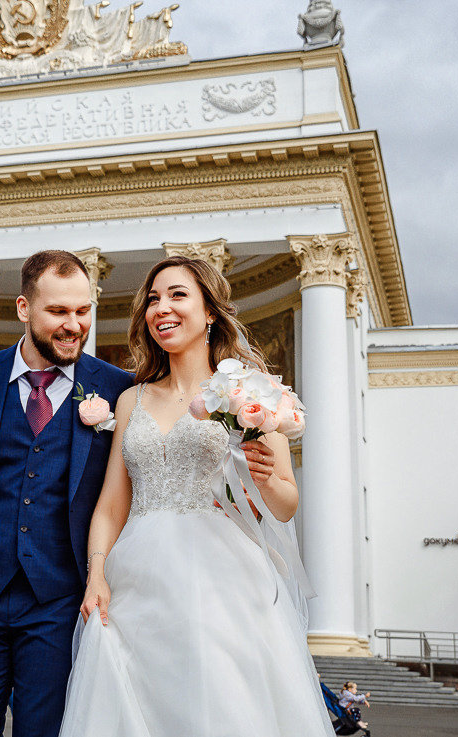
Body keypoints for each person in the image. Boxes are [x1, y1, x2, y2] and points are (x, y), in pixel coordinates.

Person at [59, 255, 336, 736]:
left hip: (222, 580)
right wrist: (96, 575)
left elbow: (287, 503)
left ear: (210, 311)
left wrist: (268, 479)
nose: (161, 307)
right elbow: (109, 506)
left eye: (177, 295)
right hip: (134, 585)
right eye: (152, 299)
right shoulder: (132, 400)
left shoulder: (251, 391)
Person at [0, 250, 132, 737]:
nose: (74, 325)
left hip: (60, 605)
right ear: (23, 308)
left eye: (82, 310)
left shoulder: (117, 388)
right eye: (58, 311)